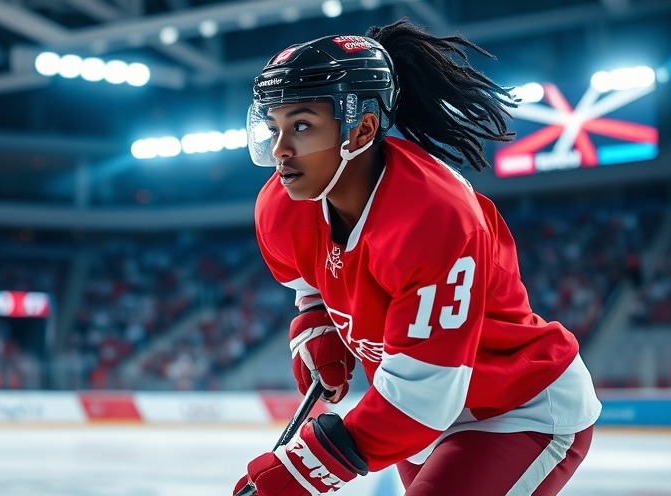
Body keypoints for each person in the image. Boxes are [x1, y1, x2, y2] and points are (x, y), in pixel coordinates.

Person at [233, 20, 602, 496]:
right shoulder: (281, 205)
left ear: (362, 128)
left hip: (513, 409)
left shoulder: (433, 216)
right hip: (418, 418)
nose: (281, 150)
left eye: (301, 126)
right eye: (274, 126)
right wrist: (318, 324)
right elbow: (311, 283)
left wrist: (308, 468)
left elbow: (424, 396)